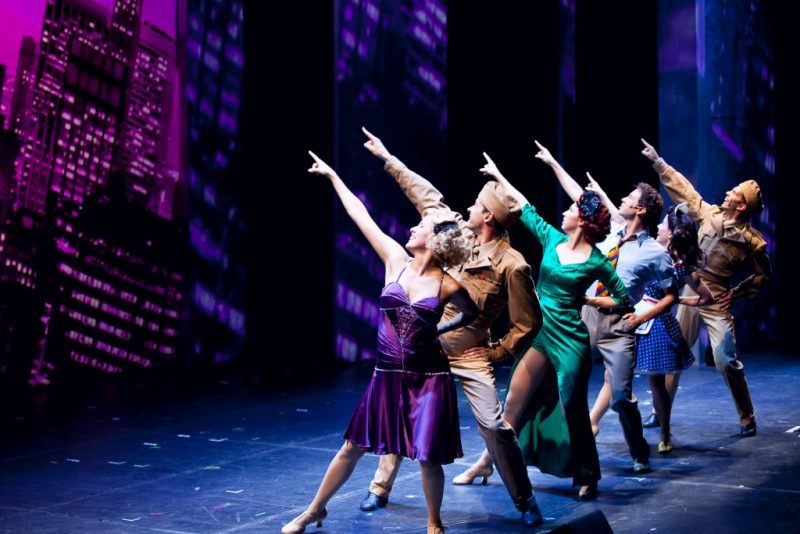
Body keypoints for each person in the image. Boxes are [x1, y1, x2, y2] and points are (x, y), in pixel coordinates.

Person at [282, 152, 479, 534]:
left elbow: (471, 314)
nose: (412, 229)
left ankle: (434, 523)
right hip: (386, 375)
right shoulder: (394, 259)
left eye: (420, 227)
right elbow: (361, 216)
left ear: (434, 241)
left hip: (428, 380)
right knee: (352, 447)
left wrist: (438, 333)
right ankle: (314, 510)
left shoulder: (448, 284)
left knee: (427, 458)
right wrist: (334, 176)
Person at [359, 128, 545, 527]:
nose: (469, 208)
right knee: (397, 405)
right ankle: (379, 486)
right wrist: (387, 157)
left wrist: (496, 352)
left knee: (495, 426)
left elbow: (528, 323)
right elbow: (425, 194)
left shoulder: (512, 265)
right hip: (428, 345)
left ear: (489, 217)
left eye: (477, 206)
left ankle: (524, 498)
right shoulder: (453, 231)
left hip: (471, 352)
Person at [465, 145, 628, 499]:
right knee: (513, 403)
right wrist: (497, 175)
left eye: (571, 208)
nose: (565, 210)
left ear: (582, 221)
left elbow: (621, 295)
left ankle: (587, 474)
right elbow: (523, 205)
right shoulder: (552, 239)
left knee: (573, 408)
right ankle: (491, 461)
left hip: (571, 340)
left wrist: (590, 300)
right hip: (542, 335)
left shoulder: (597, 262)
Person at [641, 139, 771, 437]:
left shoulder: (754, 242)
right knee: (673, 351)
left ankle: (746, 416)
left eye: (733, 193)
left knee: (725, 359)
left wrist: (735, 294)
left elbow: (763, 277)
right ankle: (661, 413)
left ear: (741, 205)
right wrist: (658, 162)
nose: (727, 193)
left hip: (717, 298)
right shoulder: (710, 216)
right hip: (692, 286)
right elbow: (685, 191)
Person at [586, 173, 714, 453]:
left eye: (664, 228)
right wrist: (599, 191)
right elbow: (624, 221)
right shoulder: (639, 245)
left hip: (654, 324)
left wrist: (681, 304)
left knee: (657, 382)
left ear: (672, 234)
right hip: (633, 319)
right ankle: (592, 422)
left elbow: (698, 296)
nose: (659, 229)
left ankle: (664, 432)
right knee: (613, 377)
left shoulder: (669, 260)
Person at [576, 150, 677, 474]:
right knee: (562, 380)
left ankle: (639, 451)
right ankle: (567, 448)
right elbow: (580, 198)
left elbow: (671, 294)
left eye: (629, 197)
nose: (622, 198)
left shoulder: (653, 252)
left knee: (620, 395)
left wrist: (643, 316)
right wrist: (552, 163)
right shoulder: (610, 236)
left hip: (620, 326)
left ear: (641, 209)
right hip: (587, 318)